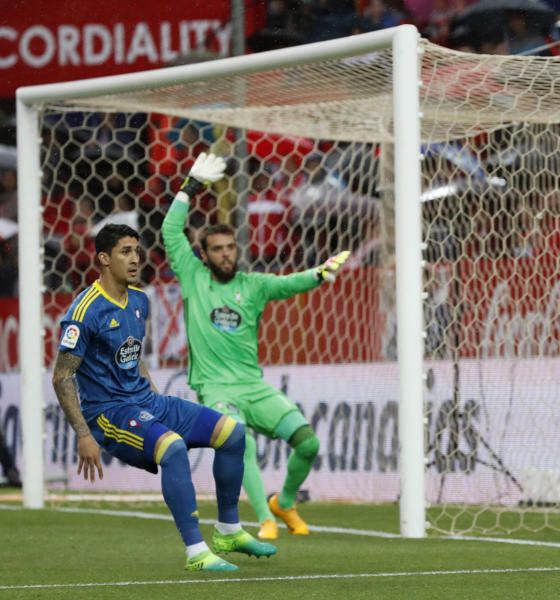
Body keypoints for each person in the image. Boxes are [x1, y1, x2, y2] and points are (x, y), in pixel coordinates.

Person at [52, 223, 276, 572]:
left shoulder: (139, 300)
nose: (135, 258)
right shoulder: (85, 311)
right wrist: (84, 434)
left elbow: (133, 355)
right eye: (125, 252)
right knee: (172, 449)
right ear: (104, 259)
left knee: (232, 433)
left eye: (137, 251)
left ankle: (229, 530)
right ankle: (196, 552)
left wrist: (154, 401)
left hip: (146, 403)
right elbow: (62, 375)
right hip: (108, 414)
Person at [163, 153, 350, 540]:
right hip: (214, 389)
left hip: (254, 385)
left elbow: (289, 283)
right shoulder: (193, 276)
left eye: (230, 247)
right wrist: (190, 187)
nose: (226, 254)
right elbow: (169, 230)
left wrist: (319, 274)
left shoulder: (253, 285)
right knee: (239, 439)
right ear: (204, 253)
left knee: (308, 443)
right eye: (217, 249)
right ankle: (265, 518)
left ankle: (285, 501)